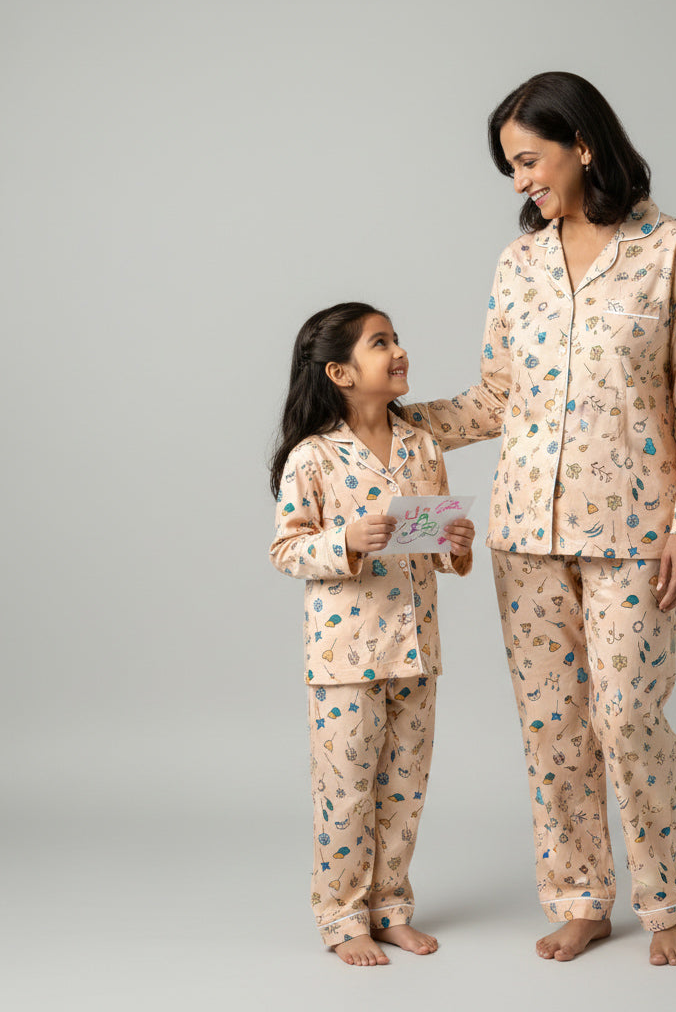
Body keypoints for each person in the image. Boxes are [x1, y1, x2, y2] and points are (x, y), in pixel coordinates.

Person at [405, 72, 676, 967]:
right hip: (524, 535)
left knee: (628, 717)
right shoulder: (520, 264)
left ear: (583, 145)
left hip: (633, 532)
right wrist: (395, 422)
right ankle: (582, 895)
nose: (519, 183)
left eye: (529, 160)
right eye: (510, 168)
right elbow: (498, 397)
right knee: (553, 726)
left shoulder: (674, 252)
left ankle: (666, 903)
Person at [269, 302, 475, 967]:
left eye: (396, 339)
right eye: (381, 343)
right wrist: (345, 541)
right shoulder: (313, 457)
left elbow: (436, 546)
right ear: (340, 372)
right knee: (347, 794)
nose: (399, 351)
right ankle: (341, 918)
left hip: (416, 648)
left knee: (404, 790)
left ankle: (389, 908)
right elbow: (286, 550)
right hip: (345, 657)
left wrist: (458, 543)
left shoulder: (421, 444)